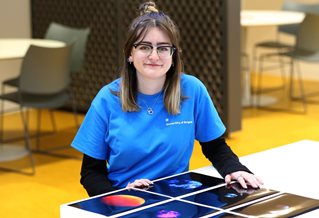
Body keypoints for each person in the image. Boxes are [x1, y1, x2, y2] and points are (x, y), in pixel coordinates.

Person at [71, 1, 263, 197]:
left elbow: (214, 146)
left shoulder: (192, 90)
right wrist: (120, 199)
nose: (154, 56)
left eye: (163, 48)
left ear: (173, 55)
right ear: (130, 53)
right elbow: (90, 172)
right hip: (124, 201)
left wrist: (236, 169)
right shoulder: (107, 99)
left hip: (176, 199)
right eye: (145, 47)